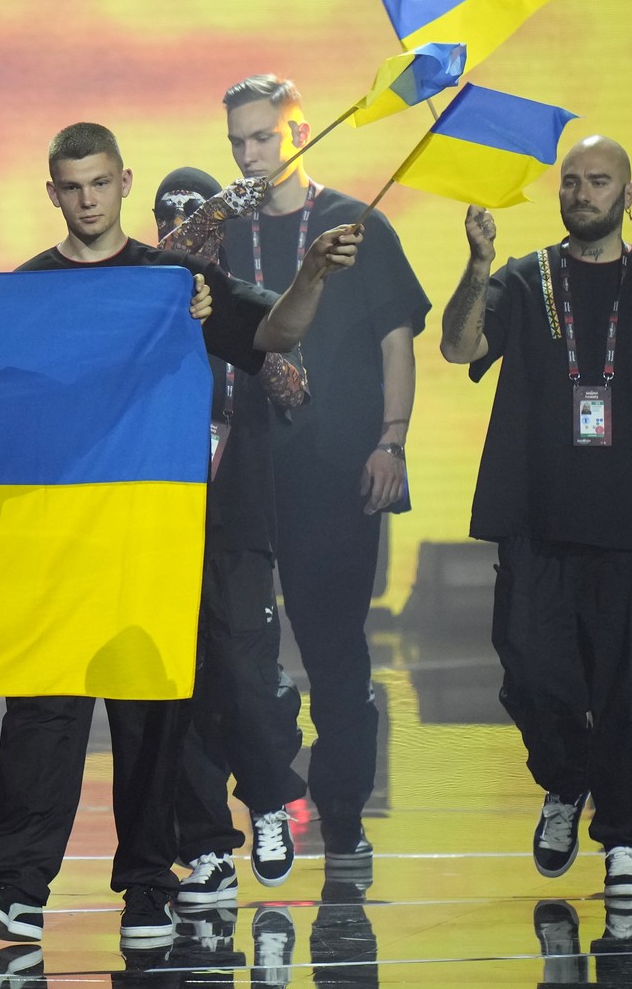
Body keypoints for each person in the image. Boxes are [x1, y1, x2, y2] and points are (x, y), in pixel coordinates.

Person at [0, 121, 361, 944]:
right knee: (42, 713)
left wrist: (312, 273)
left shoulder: (175, 278)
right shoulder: (28, 289)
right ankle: (16, 891)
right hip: (61, 540)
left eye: (100, 183)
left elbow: (275, 333)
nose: (87, 199)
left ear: (124, 181)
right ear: (52, 192)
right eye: (71, 186)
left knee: (150, 716)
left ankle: (147, 886)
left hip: (149, 537)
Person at [438, 134, 632, 897]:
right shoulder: (524, 281)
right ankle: (566, 781)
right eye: (572, 181)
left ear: (628, 193)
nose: (583, 193)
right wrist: (478, 263)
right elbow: (459, 348)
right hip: (535, 519)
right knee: (530, 675)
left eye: (599, 181)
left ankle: (626, 842)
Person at [219, 75, 432, 862]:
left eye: (261, 138)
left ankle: (344, 810)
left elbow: (395, 341)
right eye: (237, 141)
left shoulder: (355, 223)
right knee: (243, 648)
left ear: (300, 132)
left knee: (335, 646)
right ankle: (273, 797)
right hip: (246, 468)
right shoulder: (228, 234)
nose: (249, 154)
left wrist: (392, 441)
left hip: (339, 465)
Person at [152, 168, 311, 903]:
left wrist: (266, 353)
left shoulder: (245, 306)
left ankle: (273, 799)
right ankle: (208, 848)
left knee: (246, 681)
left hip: (240, 525)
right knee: (181, 692)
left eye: (197, 216)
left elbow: (293, 391)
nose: (185, 228)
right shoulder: (142, 305)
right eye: (172, 218)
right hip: (163, 528)